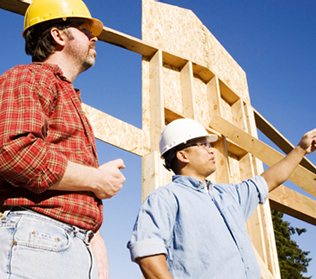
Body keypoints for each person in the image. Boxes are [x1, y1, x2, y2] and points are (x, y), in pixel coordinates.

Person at [0, 0, 126, 278]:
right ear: (59, 35)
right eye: (84, 29)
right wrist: (97, 179)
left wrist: (96, 244)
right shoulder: (29, 77)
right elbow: (13, 152)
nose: (94, 37)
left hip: (72, 245)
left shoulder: (69, 98)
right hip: (38, 238)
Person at [127, 118, 316, 279]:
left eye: (209, 145)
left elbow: (269, 180)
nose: (211, 150)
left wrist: (300, 149)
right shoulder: (165, 198)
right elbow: (148, 254)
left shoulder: (229, 195)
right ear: (182, 155)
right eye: (202, 144)